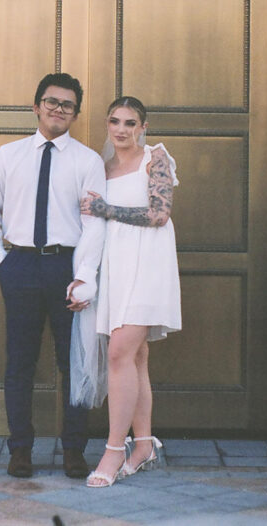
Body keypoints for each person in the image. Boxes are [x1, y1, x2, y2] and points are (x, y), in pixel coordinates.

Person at [0, 73, 107, 479]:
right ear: (36, 106)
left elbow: (94, 223)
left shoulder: (87, 161)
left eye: (67, 105)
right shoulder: (7, 155)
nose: (58, 109)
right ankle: (20, 450)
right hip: (20, 265)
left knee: (74, 363)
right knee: (20, 362)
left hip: (66, 267)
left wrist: (85, 276)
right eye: (51, 101)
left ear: (75, 114)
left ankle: (73, 450)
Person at [79, 96, 182, 488]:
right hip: (117, 266)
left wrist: (107, 209)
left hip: (149, 265)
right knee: (136, 357)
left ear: (143, 127)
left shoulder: (155, 158)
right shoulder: (102, 167)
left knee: (119, 353)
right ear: (107, 124)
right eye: (115, 121)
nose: (121, 129)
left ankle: (113, 451)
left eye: (130, 123)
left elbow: (159, 214)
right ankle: (143, 446)